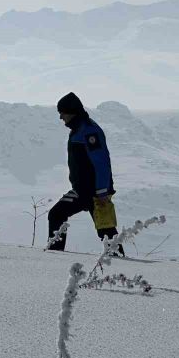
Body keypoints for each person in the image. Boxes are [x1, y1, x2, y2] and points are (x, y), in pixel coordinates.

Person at [46, 92, 123, 254]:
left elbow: (101, 162)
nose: (61, 117)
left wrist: (102, 191)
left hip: (93, 192)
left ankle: (54, 256)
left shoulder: (88, 131)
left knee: (56, 215)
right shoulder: (79, 129)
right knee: (106, 232)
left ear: (72, 112)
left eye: (62, 113)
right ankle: (118, 261)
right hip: (86, 190)